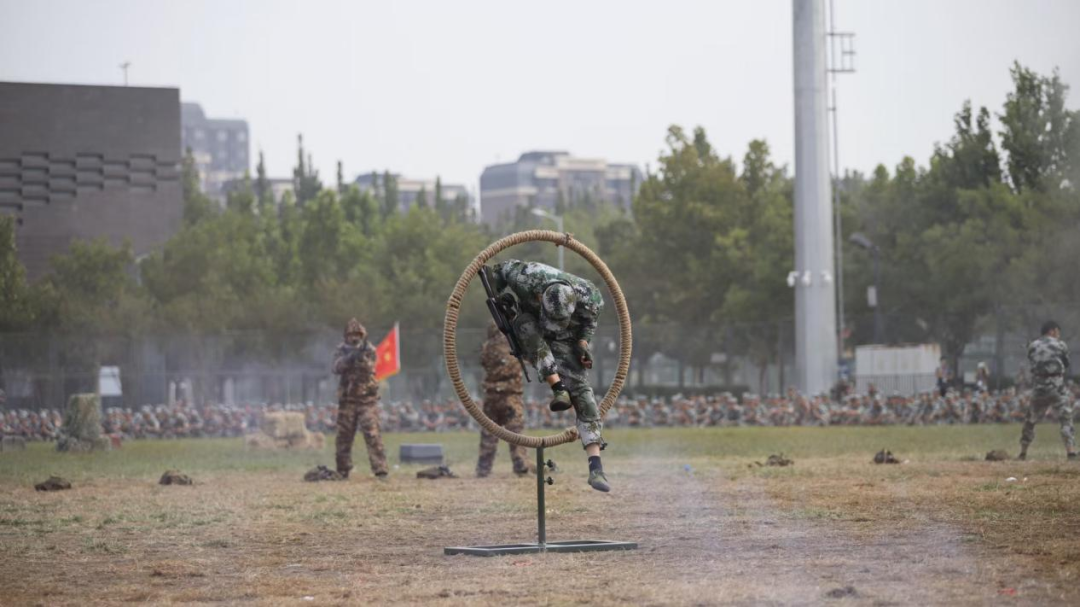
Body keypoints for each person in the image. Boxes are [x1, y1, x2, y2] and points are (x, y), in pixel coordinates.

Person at [488, 259, 610, 492]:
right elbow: (497, 271)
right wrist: (501, 296)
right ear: (539, 296)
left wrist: (583, 345)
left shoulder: (591, 297)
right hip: (531, 325)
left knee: (583, 392)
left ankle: (596, 467)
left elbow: (589, 325)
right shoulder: (525, 275)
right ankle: (558, 388)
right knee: (525, 325)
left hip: (567, 337)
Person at [331, 318, 388, 479]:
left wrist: (360, 357)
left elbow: (370, 368)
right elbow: (335, 368)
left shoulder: (369, 349)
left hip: (367, 400)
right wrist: (349, 358)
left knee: (372, 434)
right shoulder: (341, 350)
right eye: (351, 335)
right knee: (344, 436)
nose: (354, 338)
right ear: (346, 336)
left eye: (357, 335)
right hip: (347, 400)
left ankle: (380, 469)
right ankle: (343, 469)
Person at [476, 321, 530, 478]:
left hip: (491, 394)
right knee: (515, 431)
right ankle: (520, 465)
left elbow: (483, 362)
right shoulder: (514, 345)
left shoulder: (487, 347)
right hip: (510, 394)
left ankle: (483, 468)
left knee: (488, 432)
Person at [1019, 320, 1076, 461]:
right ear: (1052, 330)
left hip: (1039, 387)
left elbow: (1032, 361)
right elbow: (1066, 363)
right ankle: (1071, 452)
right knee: (1066, 418)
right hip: (1057, 387)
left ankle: (1023, 452)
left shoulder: (1032, 345)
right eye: (1057, 332)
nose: (1058, 335)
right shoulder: (1060, 345)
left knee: (1030, 420)